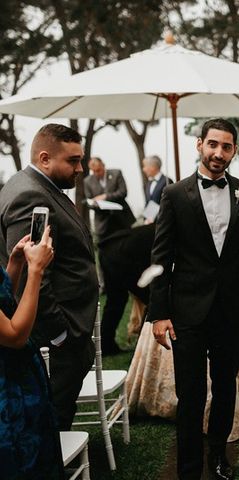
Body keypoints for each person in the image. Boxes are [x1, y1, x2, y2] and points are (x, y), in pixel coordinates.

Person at [148, 118, 239, 480]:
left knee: (225, 385)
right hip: (186, 310)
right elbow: (160, 257)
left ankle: (218, 458)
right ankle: (188, 469)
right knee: (190, 394)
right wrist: (158, 314)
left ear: (234, 150)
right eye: (213, 144)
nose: (219, 153)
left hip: (230, 309)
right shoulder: (173, 194)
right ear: (199, 144)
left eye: (227, 146)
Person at [0, 123, 99, 431]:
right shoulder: (31, 196)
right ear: (45, 158)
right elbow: (35, 273)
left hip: (68, 326)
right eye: (72, 160)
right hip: (58, 334)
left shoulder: (38, 186)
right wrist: (59, 334)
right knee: (54, 415)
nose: (80, 168)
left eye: (81, 159)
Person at [0, 227, 60, 478]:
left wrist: (16, 264)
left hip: (19, 380)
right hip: (7, 393)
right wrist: (36, 271)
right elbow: (14, 335)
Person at [98, 224, 155, 354]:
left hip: (109, 249)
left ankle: (106, 345)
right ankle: (143, 351)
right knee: (152, 300)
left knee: (116, 301)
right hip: (119, 255)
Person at [83, 156, 135, 240]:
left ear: (103, 165)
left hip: (122, 219)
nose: (96, 173)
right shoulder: (87, 181)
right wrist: (96, 203)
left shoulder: (116, 173)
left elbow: (123, 192)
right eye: (93, 171)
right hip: (103, 223)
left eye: (98, 170)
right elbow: (89, 201)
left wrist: (105, 197)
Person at [142, 155, 173, 223]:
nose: (143, 169)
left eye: (145, 166)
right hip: (150, 223)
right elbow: (148, 203)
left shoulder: (167, 181)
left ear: (153, 167)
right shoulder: (148, 183)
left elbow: (166, 204)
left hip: (163, 221)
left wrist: (154, 217)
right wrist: (146, 219)